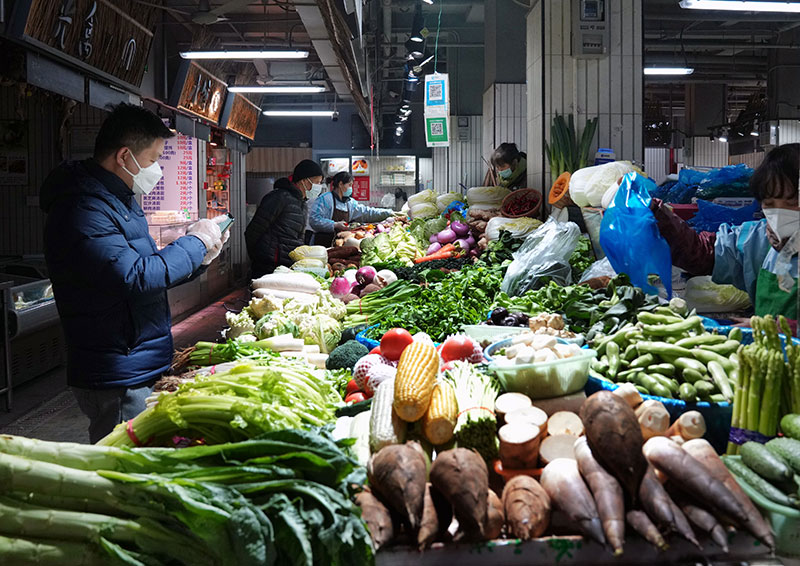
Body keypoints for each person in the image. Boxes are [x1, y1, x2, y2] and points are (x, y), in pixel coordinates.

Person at [39, 103, 228, 443]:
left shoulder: (119, 201)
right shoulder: (82, 208)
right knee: (124, 470)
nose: (156, 170)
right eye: (154, 160)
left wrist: (201, 259)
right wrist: (195, 243)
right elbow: (134, 276)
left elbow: (148, 274)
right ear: (125, 156)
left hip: (135, 360)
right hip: (116, 369)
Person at [652, 143, 800, 319]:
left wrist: (782, 331)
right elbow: (701, 252)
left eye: (791, 204)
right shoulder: (757, 240)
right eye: (769, 205)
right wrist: (654, 211)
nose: (779, 215)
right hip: (769, 345)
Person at [246, 159, 325, 277]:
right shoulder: (279, 198)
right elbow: (253, 231)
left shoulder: (302, 203)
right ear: (304, 181)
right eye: (317, 182)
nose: (319, 187)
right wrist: (259, 259)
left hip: (287, 267)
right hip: (268, 268)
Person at [309, 171, 395, 247]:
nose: (351, 188)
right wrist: (335, 225)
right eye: (350, 185)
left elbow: (367, 212)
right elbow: (314, 220)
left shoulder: (350, 203)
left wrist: (389, 212)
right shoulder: (325, 199)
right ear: (340, 184)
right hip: (322, 243)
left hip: (340, 245)